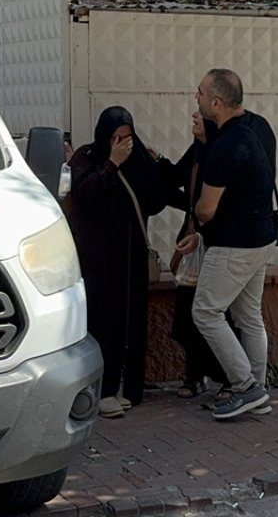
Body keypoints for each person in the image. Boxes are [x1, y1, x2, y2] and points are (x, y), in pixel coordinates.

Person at [64, 106, 169, 419]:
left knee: (132, 321)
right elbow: (84, 194)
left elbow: (156, 200)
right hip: (99, 258)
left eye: (126, 137)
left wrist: (151, 164)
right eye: (114, 137)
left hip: (131, 255)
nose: (122, 143)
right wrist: (112, 164)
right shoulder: (86, 157)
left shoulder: (138, 160)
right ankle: (105, 390)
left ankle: (129, 388)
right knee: (104, 321)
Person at [184, 69, 277, 420]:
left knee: (205, 312)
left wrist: (196, 216)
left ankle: (245, 386)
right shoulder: (260, 127)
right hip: (262, 237)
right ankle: (259, 389)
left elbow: (206, 209)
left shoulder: (225, 146)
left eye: (201, 93)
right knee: (248, 314)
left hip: (233, 245)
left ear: (217, 102)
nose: (196, 97)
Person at [164, 112, 237, 401]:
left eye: (200, 113)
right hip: (193, 242)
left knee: (220, 312)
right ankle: (194, 375)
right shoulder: (196, 152)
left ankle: (229, 378)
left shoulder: (222, 154)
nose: (193, 116)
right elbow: (175, 180)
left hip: (220, 243)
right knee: (188, 311)